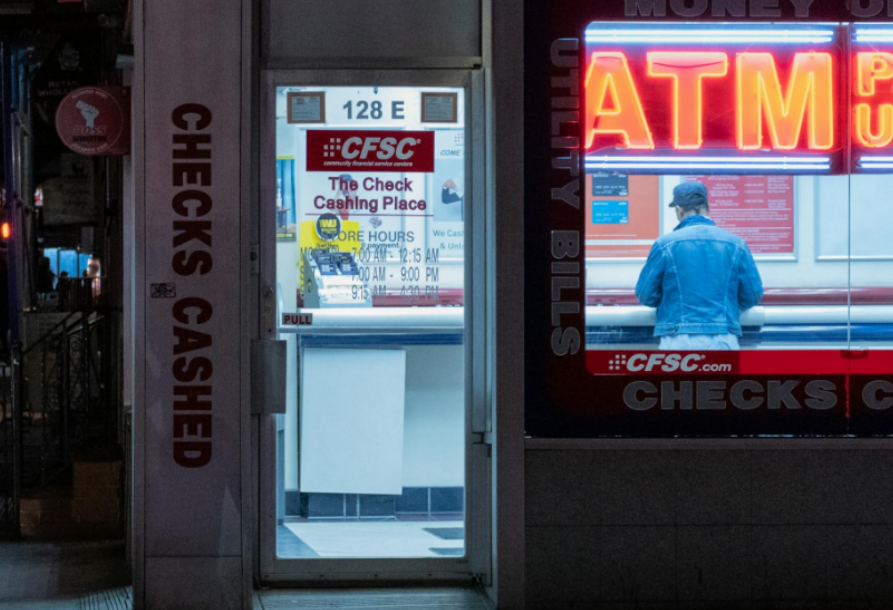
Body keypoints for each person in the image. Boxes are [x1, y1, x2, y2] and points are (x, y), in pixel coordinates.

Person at [635, 181, 763, 351]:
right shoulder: (736, 244)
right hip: (723, 337)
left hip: (677, 339)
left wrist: (671, 300)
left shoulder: (664, 244)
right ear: (706, 207)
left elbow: (646, 295)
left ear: (679, 209)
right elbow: (752, 295)